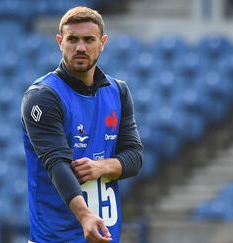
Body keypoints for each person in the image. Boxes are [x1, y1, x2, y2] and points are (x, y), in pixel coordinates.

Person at [21, 6, 143, 243]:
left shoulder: (118, 92)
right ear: (60, 41)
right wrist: (85, 216)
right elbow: (57, 164)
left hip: (104, 237)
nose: (80, 47)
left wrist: (102, 167)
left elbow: (135, 157)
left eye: (89, 39)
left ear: (102, 42)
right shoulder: (43, 96)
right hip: (55, 238)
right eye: (72, 39)